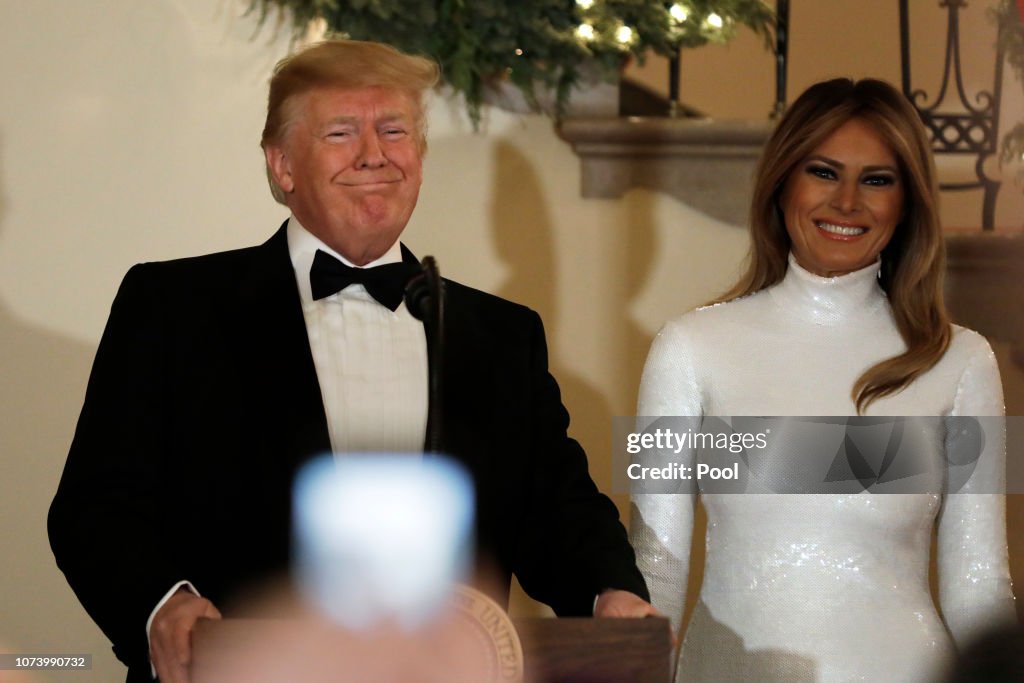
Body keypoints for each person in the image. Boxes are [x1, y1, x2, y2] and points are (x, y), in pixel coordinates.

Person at [48, 39, 654, 683]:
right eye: (342, 132)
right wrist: (161, 606)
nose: (375, 154)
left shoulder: (502, 335)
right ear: (282, 165)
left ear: (417, 156)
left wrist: (606, 592)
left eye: (394, 130)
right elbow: (96, 508)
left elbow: (557, 510)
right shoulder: (174, 308)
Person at [629, 78, 1016, 682]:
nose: (848, 202)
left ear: (908, 201)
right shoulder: (688, 348)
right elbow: (657, 570)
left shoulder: (963, 361)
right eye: (824, 172)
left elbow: (979, 587)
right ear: (783, 181)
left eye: (878, 180)